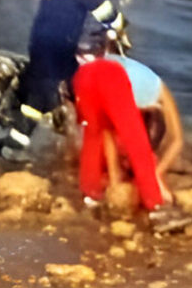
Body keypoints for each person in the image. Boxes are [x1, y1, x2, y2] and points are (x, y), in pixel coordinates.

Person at [25, 0, 124, 113]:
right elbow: (106, 13)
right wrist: (120, 25)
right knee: (58, 84)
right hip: (60, 45)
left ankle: (31, 121)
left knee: (48, 80)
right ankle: (59, 121)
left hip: (37, 41)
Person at [70, 48, 164, 212]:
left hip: (82, 75)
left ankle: (90, 196)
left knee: (93, 136)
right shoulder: (151, 95)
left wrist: (114, 183)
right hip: (111, 75)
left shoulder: (147, 84)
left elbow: (107, 133)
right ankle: (155, 206)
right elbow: (140, 144)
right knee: (137, 144)